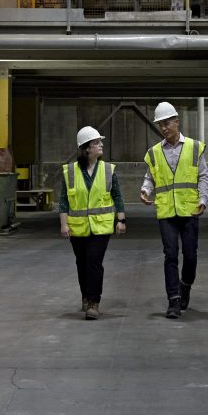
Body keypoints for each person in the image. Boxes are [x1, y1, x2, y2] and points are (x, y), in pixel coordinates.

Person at [140, 102, 208, 319]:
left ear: (177, 122)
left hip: (189, 210)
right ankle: (173, 300)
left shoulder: (194, 147)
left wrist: (203, 199)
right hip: (166, 213)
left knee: (190, 256)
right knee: (170, 255)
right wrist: (145, 189)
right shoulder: (154, 153)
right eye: (160, 125)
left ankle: (185, 284)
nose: (163, 128)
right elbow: (150, 176)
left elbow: (203, 176)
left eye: (167, 123)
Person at [59, 126, 126, 320]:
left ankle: (94, 303)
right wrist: (64, 224)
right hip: (78, 227)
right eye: (96, 142)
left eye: (100, 142)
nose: (101, 145)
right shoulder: (70, 171)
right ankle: (86, 296)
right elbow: (64, 200)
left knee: (94, 262)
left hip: (101, 226)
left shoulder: (108, 170)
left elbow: (117, 196)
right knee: (82, 263)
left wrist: (121, 220)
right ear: (86, 148)